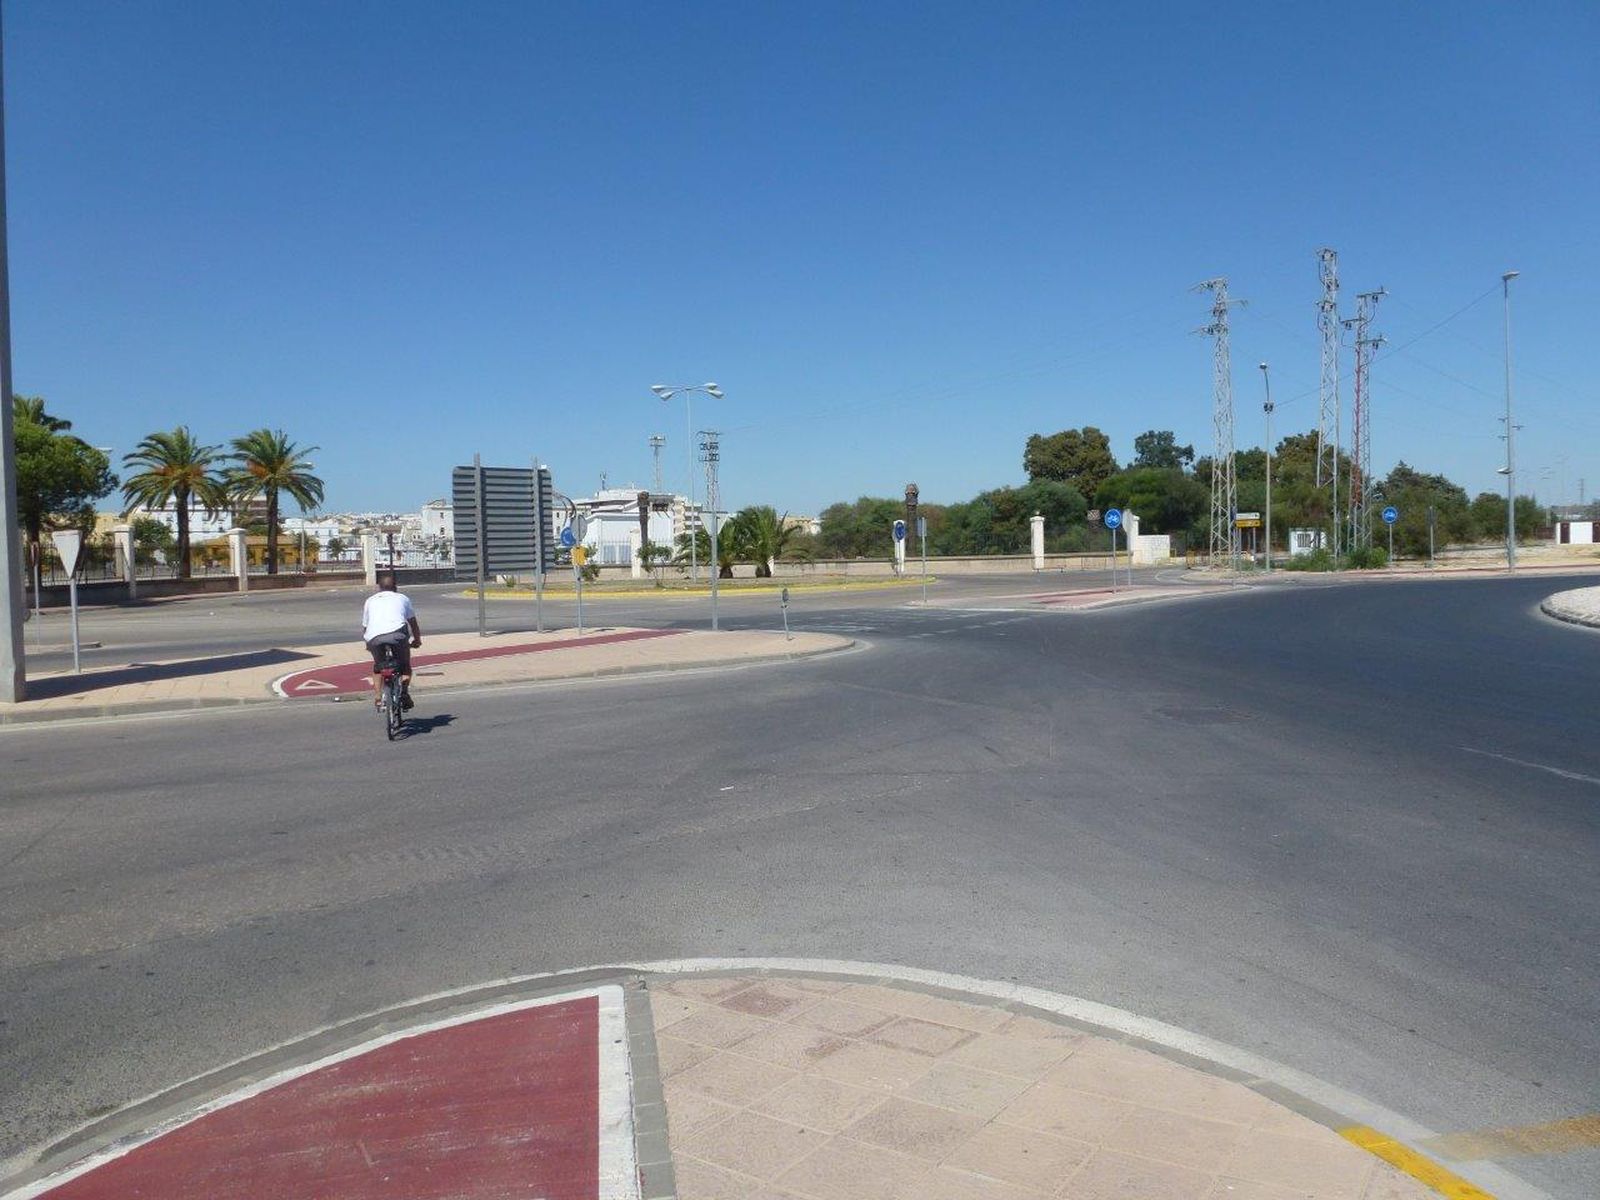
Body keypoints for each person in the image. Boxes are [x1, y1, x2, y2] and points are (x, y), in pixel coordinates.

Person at [362, 570, 422, 710]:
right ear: (395, 587)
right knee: (405, 664)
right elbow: (412, 622)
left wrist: (368, 644)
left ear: (379, 587)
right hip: (397, 635)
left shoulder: (370, 600)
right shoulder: (402, 598)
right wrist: (417, 640)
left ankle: (378, 698)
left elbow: (364, 627)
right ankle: (404, 692)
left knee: (378, 666)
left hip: (374, 637)